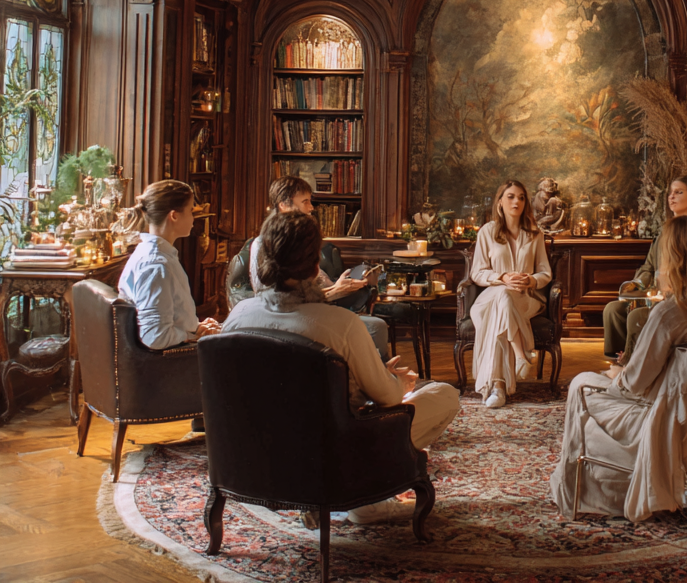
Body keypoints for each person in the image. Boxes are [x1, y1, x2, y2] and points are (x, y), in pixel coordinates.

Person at [221, 210, 461, 523]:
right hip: (332, 456)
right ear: (314, 265)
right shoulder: (341, 323)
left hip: (259, 456)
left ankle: (347, 496)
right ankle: (365, 496)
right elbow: (388, 399)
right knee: (444, 395)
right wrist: (394, 381)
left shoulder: (238, 317)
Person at [550, 216, 687, 518]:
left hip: (670, 428)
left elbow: (633, 386)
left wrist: (617, 373)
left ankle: (577, 492)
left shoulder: (671, 314)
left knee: (581, 384)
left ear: (675, 258)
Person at [234, 176, 389, 360]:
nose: (311, 208)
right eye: (305, 201)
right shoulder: (264, 244)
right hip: (293, 316)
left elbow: (319, 283)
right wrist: (335, 292)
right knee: (374, 327)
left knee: (373, 326)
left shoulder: (303, 239)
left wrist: (340, 285)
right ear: (284, 205)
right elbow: (272, 297)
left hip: (310, 310)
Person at [602, 176, 687, 362]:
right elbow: (648, 266)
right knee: (613, 310)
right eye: (670, 193)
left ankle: (633, 364)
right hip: (655, 295)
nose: (671, 197)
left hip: (682, 299)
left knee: (636, 317)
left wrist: (672, 288)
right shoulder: (665, 230)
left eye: (679, 192)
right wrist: (638, 285)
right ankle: (618, 360)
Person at [470, 179, 552, 409]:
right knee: (502, 297)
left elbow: (545, 272)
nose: (517, 201)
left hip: (526, 298)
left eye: (521, 197)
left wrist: (531, 280)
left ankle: (498, 387)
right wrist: (502, 277)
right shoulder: (487, 232)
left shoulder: (535, 234)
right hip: (492, 297)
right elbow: (477, 272)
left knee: (502, 304)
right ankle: (521, 356)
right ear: (500, 202)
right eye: (511, 196)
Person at [118, 180, 222, 349]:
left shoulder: (158, 255)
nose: (194, 217)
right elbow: (155, 336)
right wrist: (192, 336)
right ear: (174, 216)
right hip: (174, 357)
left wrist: (196, 327)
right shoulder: (156, 265)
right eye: (191, 211)